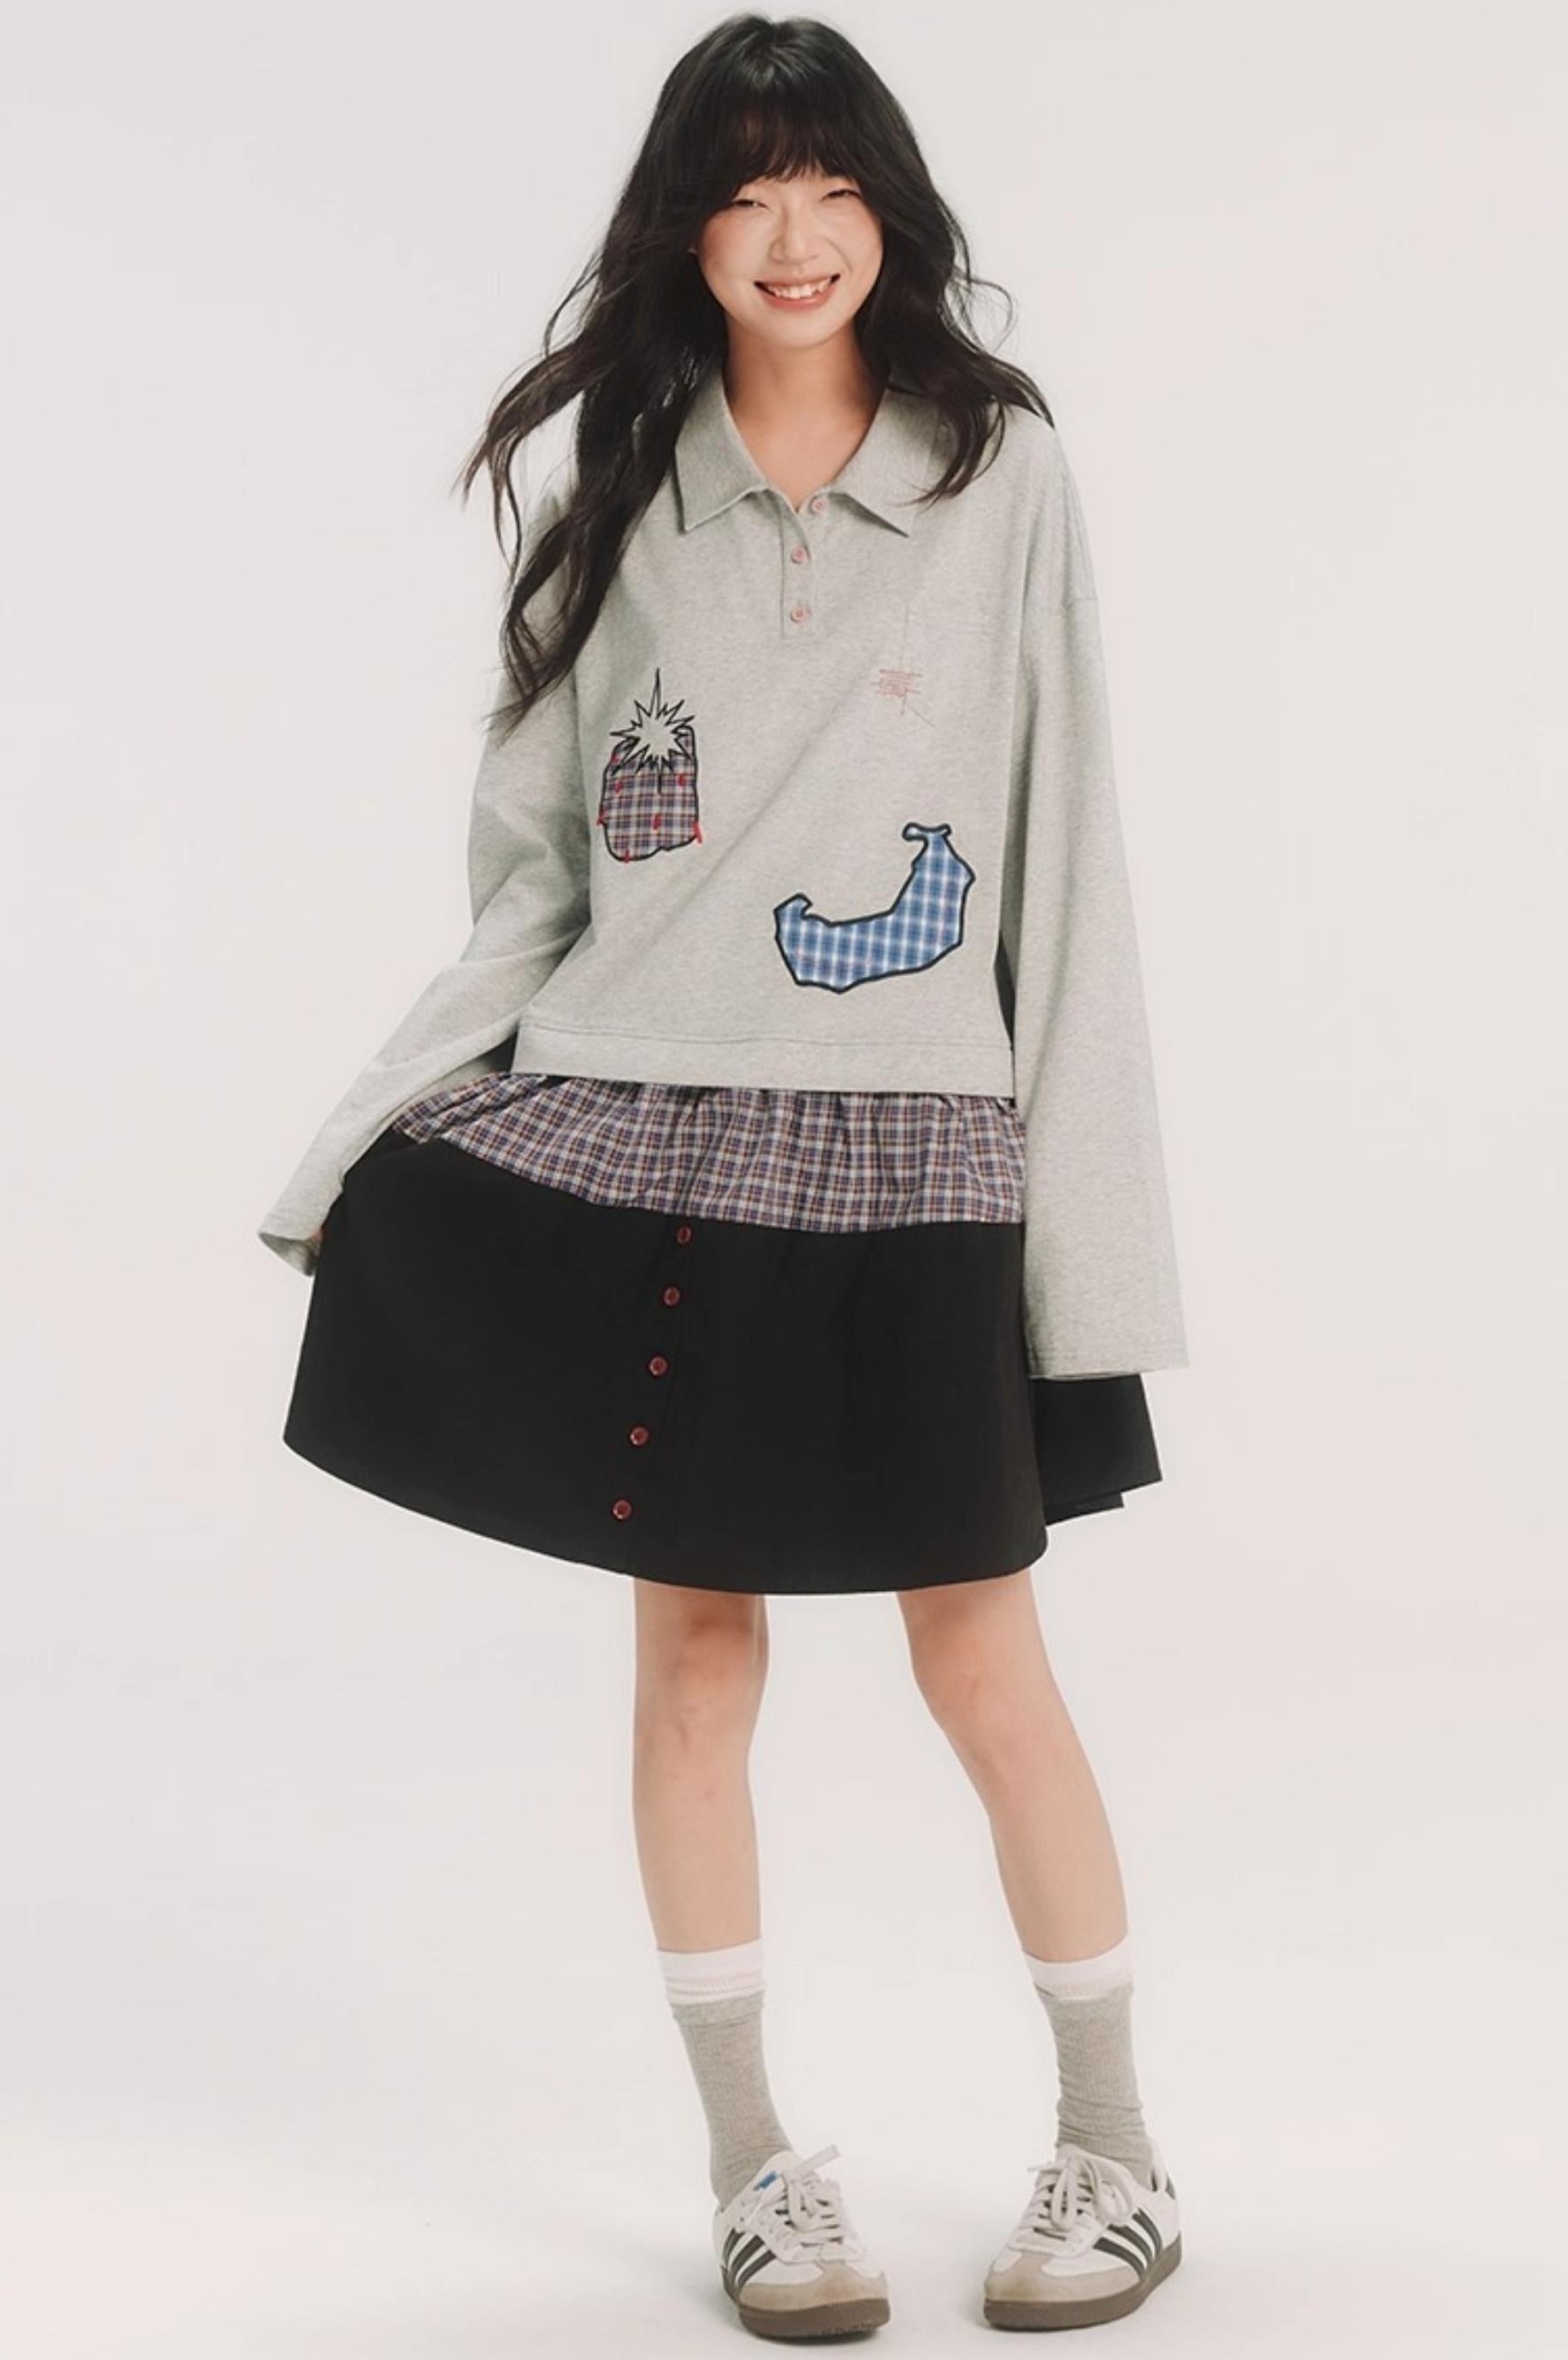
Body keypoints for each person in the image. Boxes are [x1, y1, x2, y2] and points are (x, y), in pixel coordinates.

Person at [257, 12, 1188, 2339]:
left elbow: (1065, 861)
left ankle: (1116, 2146)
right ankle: (755, 2167)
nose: (792, 235)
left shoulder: (1001, 469)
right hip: (646, 1115)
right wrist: (370, 1120)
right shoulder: (616, 477)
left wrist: (1086, 1251)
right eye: (747, 189)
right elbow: (536, 871)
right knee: (692, 1653)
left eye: (831, 184)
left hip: (915, 1138)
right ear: (686, 224)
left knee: (981, 1653)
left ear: (890, 213)